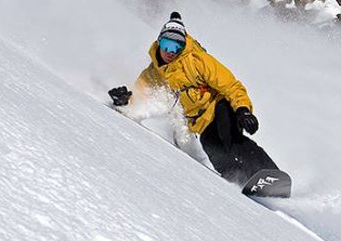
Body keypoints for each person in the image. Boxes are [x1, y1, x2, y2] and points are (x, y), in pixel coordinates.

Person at [109, 12, 279, 186]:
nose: (170, 52)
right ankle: (243, 183)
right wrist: (123, 101)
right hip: (201, 122)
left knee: (230, 138)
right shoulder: (153, 73)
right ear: (159, 42)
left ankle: (271, 177)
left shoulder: (198, 61)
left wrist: (243, 110)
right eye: (167, 45)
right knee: (216, 154)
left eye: (176, 47)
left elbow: (230, 85)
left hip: (219, 105)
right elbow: (140, 99)